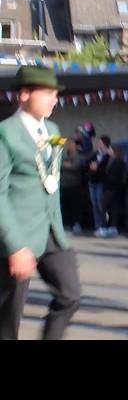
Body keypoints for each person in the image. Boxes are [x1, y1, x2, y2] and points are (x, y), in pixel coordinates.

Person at [0, 66, 81, 340]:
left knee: (70, 295)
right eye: (47, 93)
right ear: (24, 94)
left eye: (55, 94)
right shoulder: (5, 133)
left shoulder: (53, 129)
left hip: (50, 231)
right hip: (17, 235)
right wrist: (15, 247)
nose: (54, 99)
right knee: (8, 318)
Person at [86, 135, 111, 238]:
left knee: (101, 205)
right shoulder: (95, 154)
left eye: (100, 142)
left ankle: (103, 226)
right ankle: (97, 226)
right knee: (95, 205)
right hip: (92, 182)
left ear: (104, 144)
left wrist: (96, 168)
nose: (98, 144)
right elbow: (88, 164)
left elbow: (104, 169)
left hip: (101, 183)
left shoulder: (108, 155)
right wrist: (92, 167)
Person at [61, 139, 85, 234]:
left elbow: (75, 166)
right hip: (64, 184)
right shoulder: (65, 155)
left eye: (71, 144)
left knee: (75, 206)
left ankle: (76, 224)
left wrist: (68, 165)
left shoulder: (78, 156)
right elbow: (60, 165)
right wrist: (66, 165)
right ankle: (67, 224)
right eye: (68, 144)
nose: (69, 146)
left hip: (74, 184)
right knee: (66, 206)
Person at [102, 144, 126, 237]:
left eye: (110, 149)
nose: (108, 151)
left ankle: (113, 227)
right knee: (106, 207)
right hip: (108, 187)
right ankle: (107, 226)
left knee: (113, 208)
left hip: (114, 188)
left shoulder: (119, 161)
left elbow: (119, 176)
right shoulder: (109, 160)